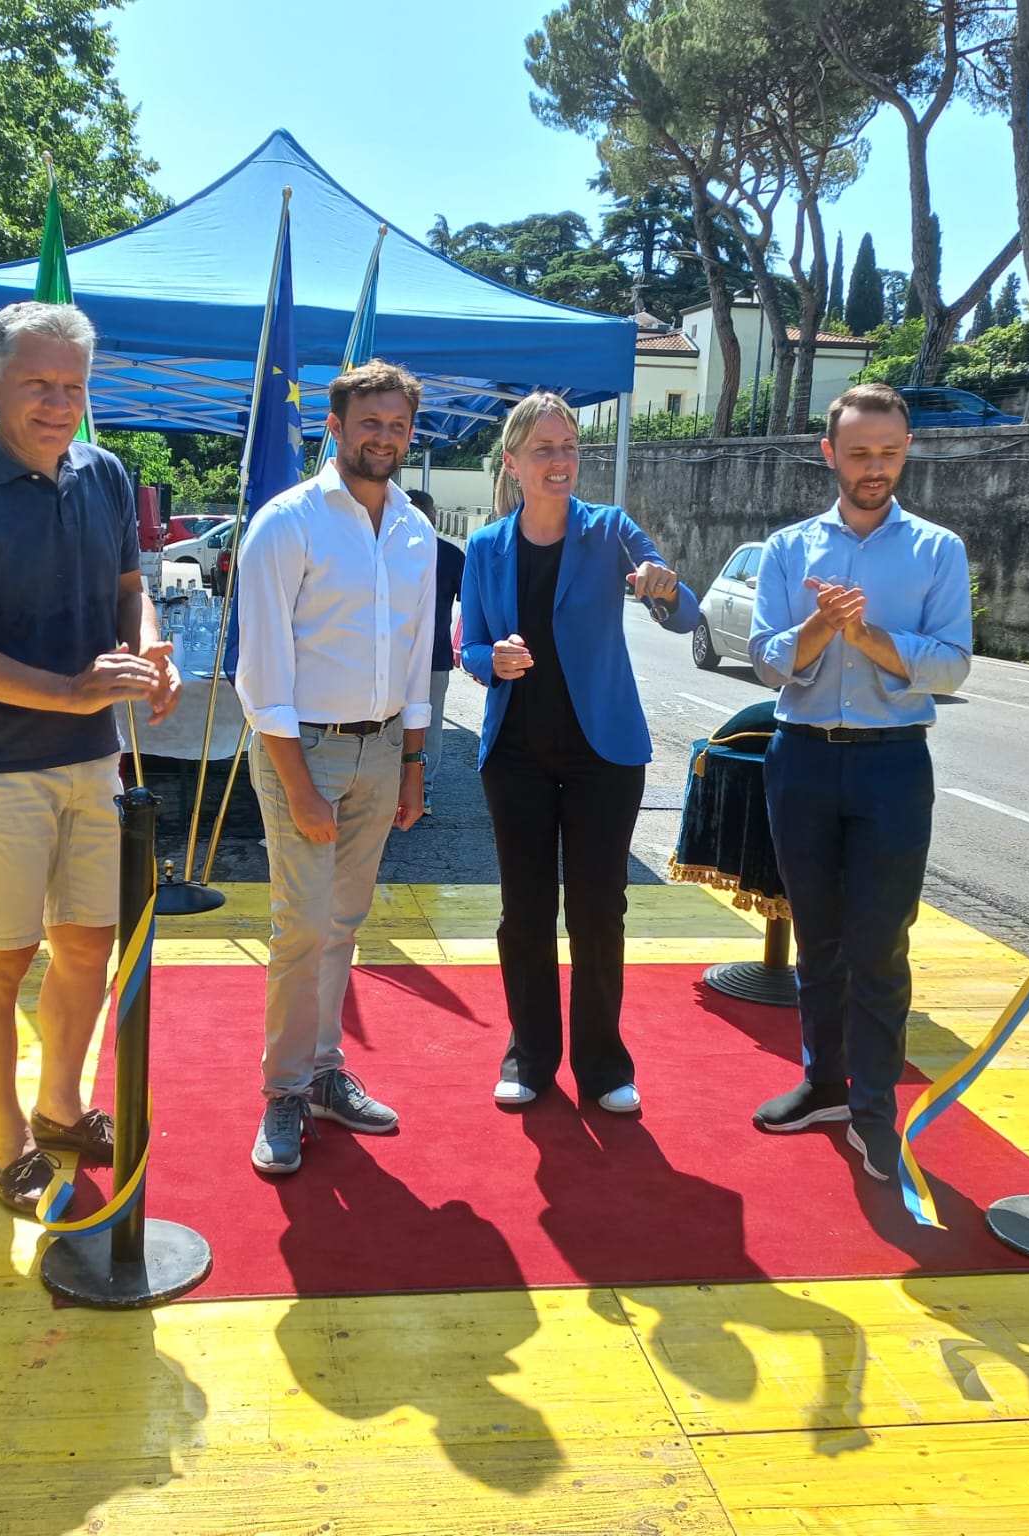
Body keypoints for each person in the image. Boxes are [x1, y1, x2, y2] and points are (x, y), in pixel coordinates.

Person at [0, 301, 181, 1219]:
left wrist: (151, 651)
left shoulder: (103, 476)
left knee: (88, 948)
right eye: (38, 385)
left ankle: (60, 1110)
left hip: (90, 761)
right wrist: (67, 691)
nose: (59, 404)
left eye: (73, 386)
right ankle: (4, 1144)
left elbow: (130, 592)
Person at [745, 381, 973, 1182]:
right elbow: (766, 656)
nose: (873, 468)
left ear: (906, 450)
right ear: (829, 453)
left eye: (887, 452)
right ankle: (824, 1082)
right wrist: (816, 627)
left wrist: (871, 638)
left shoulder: (937, 551)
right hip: (802, 757)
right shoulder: (788, 549)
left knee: (881, 944)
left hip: (891, 762)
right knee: (818, 938)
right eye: (858, 453)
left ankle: (876, 1110)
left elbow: (952, 664)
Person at [459, 392, 697, 1113]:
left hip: (604, 752)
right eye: (544, 450)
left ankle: (603, 1064)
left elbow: (681, 612)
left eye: (568, 448)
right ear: (514, 464)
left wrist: (664, 585)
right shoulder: (485, 547)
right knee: (524, 911)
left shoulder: (610, 531)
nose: (560, 461)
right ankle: (529, 1057)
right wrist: (488, 657)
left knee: (599, 908)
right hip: (518, 753)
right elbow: (466, 644)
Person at [234, 359, 438, 1175]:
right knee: (302, 926)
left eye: (397, 427)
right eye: (371, 424)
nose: (384, 438)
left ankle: (323, 1072)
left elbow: (419, 655)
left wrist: (415, 764)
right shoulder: (286, 524)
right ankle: (284, 1089)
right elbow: (262, 675)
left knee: (345, 924)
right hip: (304, 752)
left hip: (383, 750)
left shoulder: (417, 530)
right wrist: (298, 784)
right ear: (336, 427)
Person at [405, 487, 465, 819]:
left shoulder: (450, 556)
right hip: (412, 658)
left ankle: (420, 788)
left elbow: (472, 603)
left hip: (425, 658)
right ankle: (416, 789)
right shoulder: (451, 554)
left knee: (422, 726)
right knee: (425, 726)